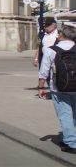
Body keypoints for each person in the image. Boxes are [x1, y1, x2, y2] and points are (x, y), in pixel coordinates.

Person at [39, 23, 76, 152]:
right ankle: (69, 138)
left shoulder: (51, 50)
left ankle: (71, 143)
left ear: (61, 35)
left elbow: (44, 70)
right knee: (74, 115)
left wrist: (41, 87)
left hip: (59, 88)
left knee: (65, 115)